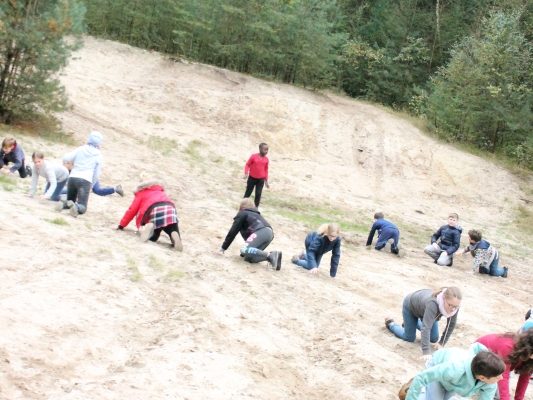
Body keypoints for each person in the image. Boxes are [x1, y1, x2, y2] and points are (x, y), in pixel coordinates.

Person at [406, 344, 505, 400]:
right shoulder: (455, 368)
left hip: (455, 383)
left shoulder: (491, 382)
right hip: (438, 368)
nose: (501, 378)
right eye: (497, 376)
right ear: (482, 377)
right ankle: (412, 389)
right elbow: (421, 377)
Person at [385, 287, 462, 359]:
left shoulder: (454, 306)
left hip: (425, 312)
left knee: (434, 338)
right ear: (444, 298)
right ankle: (391, 324)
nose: (452, 309)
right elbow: (426, 328)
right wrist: (426, 352)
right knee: (409, 337)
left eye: (455, 306)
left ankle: (410, 324)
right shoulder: (433, 303)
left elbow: (451, 324)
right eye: (450, 305)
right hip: (411, 306)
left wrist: (442, 343)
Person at [117, 180, 182, 250]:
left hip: (154, 210)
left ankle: (150, 228)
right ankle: (173, 235)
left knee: (154, 237)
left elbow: (132, 210)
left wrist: (121, 225)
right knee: (171, 228)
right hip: (170, 209)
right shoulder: (160, 191)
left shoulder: (141, 193)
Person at [220, 198, 281, 270]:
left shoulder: (242, 213)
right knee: (249, 258)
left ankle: (270, 255)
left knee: (244, 249)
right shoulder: (256, 214)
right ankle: (272, 257)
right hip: (269, 233)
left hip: (261, 231)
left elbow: (233, 232)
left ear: (241, 207)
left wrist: (223, 248)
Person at [476, 329, 532, 400]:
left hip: (495, 367)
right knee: (499, 396)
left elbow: (524, 378)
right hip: (480, 361)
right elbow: (503, 375)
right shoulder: (509, 346)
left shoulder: (529, 355)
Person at [56, 131, 103, 216]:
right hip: (85, 180)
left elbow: (66, 158)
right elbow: (97, 173)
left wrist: (72, 164)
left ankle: (63, 204)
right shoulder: (98, 155)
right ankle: (77, 208)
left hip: (72, 178)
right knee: (83, 207)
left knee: (70, 201)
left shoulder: (81, 149)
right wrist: (92, 185)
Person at [243, 143, 269, 207]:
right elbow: (247, 165)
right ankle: (243, 206)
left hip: (260, 180)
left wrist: (266, 181)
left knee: (258, 194)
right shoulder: (253, 156)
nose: (266, 151)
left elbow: (266, 170)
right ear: (260, 149)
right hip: (252, 178)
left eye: (267, 150)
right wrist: (246, 173)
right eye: (265, 149)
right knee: (248, 193)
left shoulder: (266, 159)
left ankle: (256, 208)